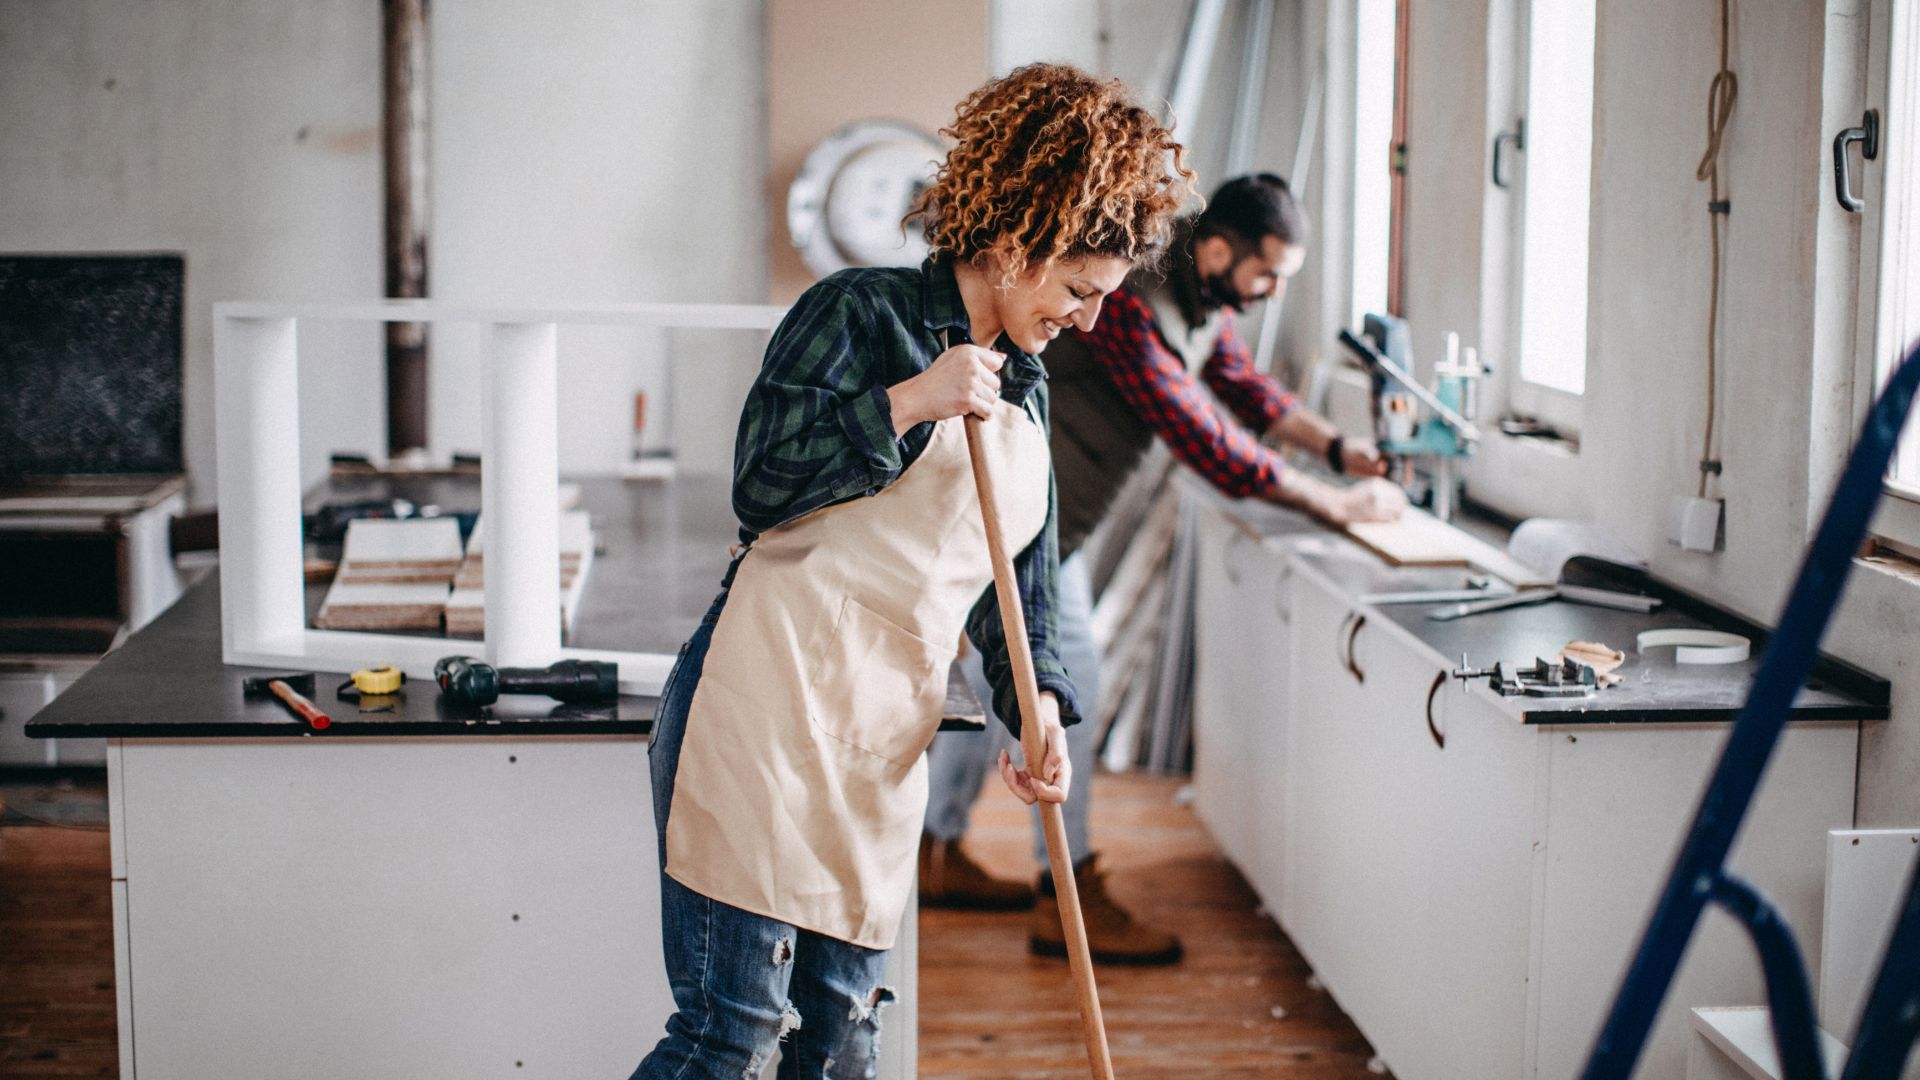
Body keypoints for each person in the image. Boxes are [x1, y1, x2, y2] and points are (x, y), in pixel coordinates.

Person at [629, 64, 1193, 1079]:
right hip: (764, 708)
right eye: (1078, 291)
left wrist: (1038, 709)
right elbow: (761, 484)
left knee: (844, 1037)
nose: (1090, 320)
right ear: (1018, 243)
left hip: (881, 738)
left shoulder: (1029, 387)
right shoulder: (857, 312)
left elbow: (1021, 582)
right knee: (734, 1033)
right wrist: (911, 400)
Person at [920, 173, 1406, 966]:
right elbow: (1197, 431)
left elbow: (1241, 386)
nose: (1273, 289)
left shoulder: (1203, 303)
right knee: (1067, 687)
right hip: (1019, 518)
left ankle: (936, 853)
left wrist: (1339, 450)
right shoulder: (1133, 300)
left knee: (1005, 686)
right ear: (1218, 249)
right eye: (1268, 272)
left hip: (1050, 525)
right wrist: (1337, 505)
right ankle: (1065, 898)